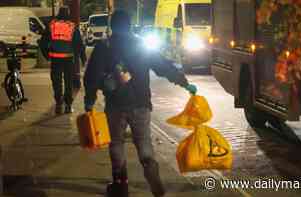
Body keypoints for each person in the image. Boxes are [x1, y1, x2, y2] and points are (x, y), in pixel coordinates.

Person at [84, 9, 197, 197]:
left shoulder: (105, 46)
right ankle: (151, 170)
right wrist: (184, 82)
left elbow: (92, 76)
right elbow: (163, 66)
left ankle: (120, 185)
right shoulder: (141, 45)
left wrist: (89, 100)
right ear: (129, 26)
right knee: (144, 142)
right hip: (141, 103)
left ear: (112, 26)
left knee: (116, 143)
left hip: (115, 104)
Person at [39, 6, 86, 114]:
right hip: (69, 59)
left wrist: (47, 55)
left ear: (58, 13)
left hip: (55, 59)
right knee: (68, 82)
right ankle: (68, 105)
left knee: (57, 82)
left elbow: (43, 43)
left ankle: (59, 103)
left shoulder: (52, 25)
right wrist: (83, 58)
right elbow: (80, 44)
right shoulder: (72, 26)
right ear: (68, 14)